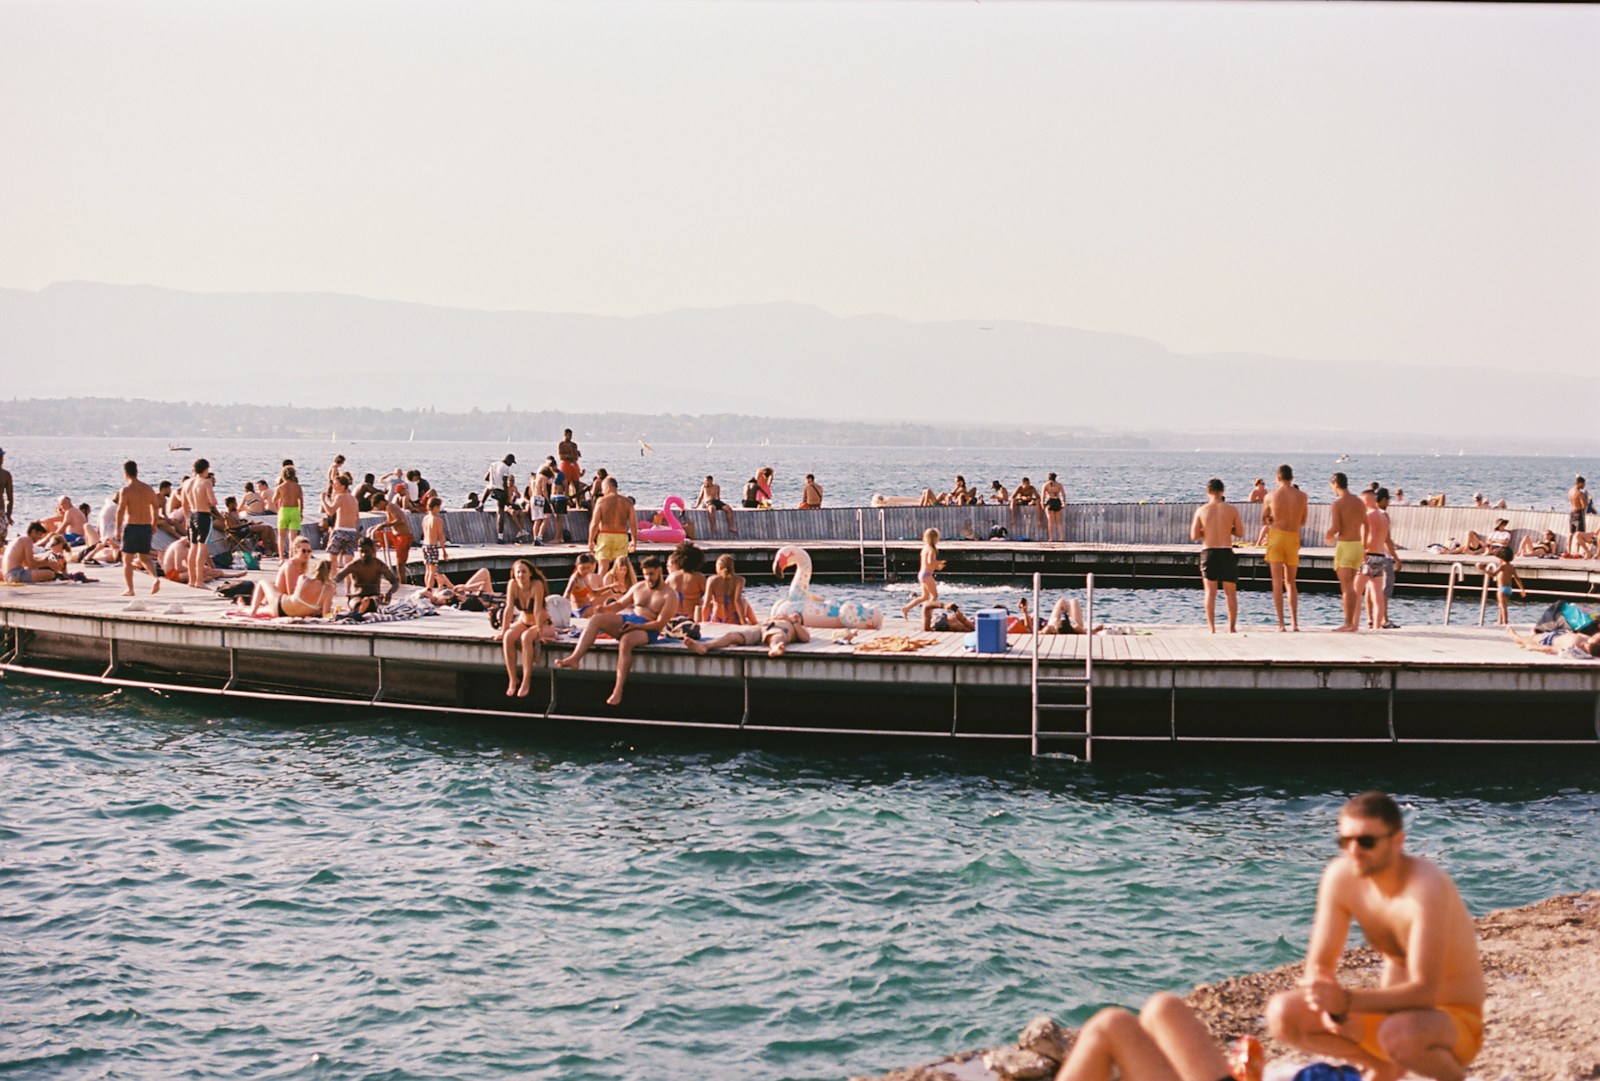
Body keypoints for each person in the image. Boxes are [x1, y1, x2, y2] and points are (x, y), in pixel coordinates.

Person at [1266, 791, 1485, 1081]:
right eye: (1345, 841)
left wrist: (1345, 1001)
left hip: (1453, 1023)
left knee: (1398, 1034)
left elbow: (1425, 992)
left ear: (1397, 842)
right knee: (1283, 1013)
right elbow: (1319, 964)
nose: (1354, 851)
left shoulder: (1426, 888)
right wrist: (1328, 1007)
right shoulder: (1341, 878)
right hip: (1388, 1016)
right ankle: (1383, 1068)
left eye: (1366, 841)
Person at [555, 554, 678, 705]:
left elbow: (659, 625)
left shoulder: (670, 595)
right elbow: (619, 605)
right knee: (596, 619)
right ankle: (574, 658)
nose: (649, 578)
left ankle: (618, 690)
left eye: (652, 574)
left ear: (659, 571)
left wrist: (636, 626)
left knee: (626, 641)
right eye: (645, 574)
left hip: (647, 629)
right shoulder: (639, 587)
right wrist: (604, 609)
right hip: (631, 620)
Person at [1190, 478, 1244, 634]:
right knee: (1231, 593)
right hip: (1226, 551)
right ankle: (1232, 628)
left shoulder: (1201, 510)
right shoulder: (1231, 509)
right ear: (1223, 491)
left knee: (1210, 593)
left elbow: (1194, 535)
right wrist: (1228, 529)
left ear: (1208, 492)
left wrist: (1206, 531)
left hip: (1209, 551)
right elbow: (1240, 533)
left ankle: (1212, 628)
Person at [1262, 464, 1308, 632]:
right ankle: (1294, 623)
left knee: (1276, 581)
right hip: (1292, 537)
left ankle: (1281, 624)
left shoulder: (1271, 496)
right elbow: (1303, 520)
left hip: (1276, 536)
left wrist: (1271, 519)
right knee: (1291, 581)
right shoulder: (1302, 496)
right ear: (1292, 478)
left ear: (1278, 478)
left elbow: (1264, 518)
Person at [498, 559, 553, 697]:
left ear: (530, 574)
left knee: (526, 637)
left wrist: (540, 632)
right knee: (508, 637)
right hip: (523, 621)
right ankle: (512, 679)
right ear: (514, 574)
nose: (521, 575)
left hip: (542, 623)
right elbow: (509, 608)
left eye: (524, 572)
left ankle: (526, 680)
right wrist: (503, 630)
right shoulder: (512, 585)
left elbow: (538, 610)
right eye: (518, 572)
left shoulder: (537, 585)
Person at [1353, 487, 1402, 631]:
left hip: (1368, 556)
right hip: (1380, 557)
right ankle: (1376, 626)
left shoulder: (1367, 516)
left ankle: (1354, 624)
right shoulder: (1384, 517)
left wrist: (1360, 554)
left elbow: (1364, 538)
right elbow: (1387, 540)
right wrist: (1396, 558)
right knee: (1377, 596)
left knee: (1356, 593)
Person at [114, 461, 165, 596]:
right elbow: (155, 506)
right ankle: (155, 578)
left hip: (132, 527)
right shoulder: (148, 489)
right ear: (137, 471)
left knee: (127, 560)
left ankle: (130, 589)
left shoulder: (126, 490)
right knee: (145, 557)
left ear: (125, 473)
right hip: (146, 527)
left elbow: (120, 510)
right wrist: (154, 523)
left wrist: (117, 529)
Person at [1327, 472, 1367, 633]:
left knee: (1346, 587)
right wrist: (1365, 546)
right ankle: (1352, 623)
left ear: (1336, 484)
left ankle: (1348, 623)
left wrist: (1328, 534)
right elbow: (1367, 525)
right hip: (1358, 545)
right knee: (1352, 586)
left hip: (1345, 545)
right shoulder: (1359, 502)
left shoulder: (1338, 504)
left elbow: (1337, 527)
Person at [687, 611, 810, 658]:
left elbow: (805, 638)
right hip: (761, 628)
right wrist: (773, 617)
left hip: (778, 630)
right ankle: (704, 646)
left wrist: (793, 621)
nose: (794, 615)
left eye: (798, 616)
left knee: (776, 637)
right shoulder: (777, 617)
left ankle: (775, 648)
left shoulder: (796, 626)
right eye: (794, 614)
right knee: (732, 635)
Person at [179, 458, 218, 595]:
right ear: (205, 469)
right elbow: (213, 501)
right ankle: (199, 581)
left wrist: (186, 517)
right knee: (202, 547)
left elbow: (184, 502)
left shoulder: (187, 483)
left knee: (193, 547)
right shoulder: (206, 482)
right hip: (203, 515)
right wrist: (210, 502)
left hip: (192, 515)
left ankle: (191, 579)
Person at [248, 558, 335, 619]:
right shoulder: (329, 590)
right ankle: (246, 608)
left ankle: (252, 611)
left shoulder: (303, 579)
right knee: (263, 610)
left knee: (263, 582)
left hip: (281, 607)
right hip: (289, 614)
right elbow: (326, 615)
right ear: (329, 572)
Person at [335, 537, 398, 614]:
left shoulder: (379, 565)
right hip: (356, 596)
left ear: (372, 550)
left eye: (367, 551)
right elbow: (338, 577)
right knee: (356, 605)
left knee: (372, 603)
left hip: (374, 596)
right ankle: (360, 609)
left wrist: (389, 593)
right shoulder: (354, 565)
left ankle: (363, 608)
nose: (364, 554)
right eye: (361, 552)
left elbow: (395, 582)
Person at [588, 476, 637, 573]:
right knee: (620, 569)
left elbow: (594, 523)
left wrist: (591, 540)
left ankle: (601, 587)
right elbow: (633, 524)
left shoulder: (601, 501)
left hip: (605, 536)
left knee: (602, 568)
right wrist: (634, 541)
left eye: (603, 489)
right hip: (621, 536)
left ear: (608, 487)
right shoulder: (627, 502)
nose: (602, 492)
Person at [369, 492, 414, 584]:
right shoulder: (388, 508)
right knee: (373, 534)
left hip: (403, 537)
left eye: (378, 505)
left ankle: (403, 585)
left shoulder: (390, 506)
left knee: (400, 565)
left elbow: (399, 520)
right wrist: (380, 525)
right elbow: (391, 520)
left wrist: (384, 524)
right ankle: (372, 561)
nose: (378, 508)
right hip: (395, 536)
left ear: (382, 501)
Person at [900, 528, 945, 619]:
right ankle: (928, 616)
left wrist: (936, 566)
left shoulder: (925, 548)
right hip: (927, 575)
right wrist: (939, 563)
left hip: (922, 574)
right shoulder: (932, 549)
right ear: (935, 538)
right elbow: (930, 561)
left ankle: (906, 608)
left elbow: (927, 563)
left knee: (924, 596)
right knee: (934, 596)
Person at [325, 473, 361, 573]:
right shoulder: (354, 499)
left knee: (332, 560)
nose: (334, 486)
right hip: (352, 532)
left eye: (336, 484)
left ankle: (333, 583)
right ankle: (349, 588)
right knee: (348, 564)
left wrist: (323, 500)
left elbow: (330, 511)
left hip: (340, 530)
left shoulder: (340, 497)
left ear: (343, 486)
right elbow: (356, 517)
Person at [701, 553, 752, 624]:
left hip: (717, 618)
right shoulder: (739, 580)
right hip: (733, 618)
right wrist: (743, 621)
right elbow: (737, 601)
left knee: (708, 604)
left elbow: (706, 604)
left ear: (718, 567)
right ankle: (754, 622)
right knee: (743, 601)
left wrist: (704, 622)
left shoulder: (712, 580)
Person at [1482, 547, 1524, 625]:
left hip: (1501, 589)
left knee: (1502, 606)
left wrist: (1483, 569)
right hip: (1509, 589)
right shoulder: (1511, 567)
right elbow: (1517, 579)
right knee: (1501, 605)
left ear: (1500, 557)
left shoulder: (1502, 566)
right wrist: (1522, 589)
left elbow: (1493, 574)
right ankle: (1500, 621)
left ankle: (1505, 622)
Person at [666, 542, 707, 621]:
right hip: (692, 616)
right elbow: (711, 597)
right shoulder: (699, 578)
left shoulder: (671, 577)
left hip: (675, 616)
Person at [274, 465, 304, 565]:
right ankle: (291, 557)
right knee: (293, 537)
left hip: (284, 510)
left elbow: (274, 500)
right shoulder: (298, 487)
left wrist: (280, 499)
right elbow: (301, 501)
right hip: (295, 510)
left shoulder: (280, 487)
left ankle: (281, 558)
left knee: (281, 536)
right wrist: (301, 512)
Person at [1508, 625, 1600, 658]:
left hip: (1549, 639)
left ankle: (1516, 637)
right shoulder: (1587, 640)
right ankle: (1533, 635)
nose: (1594, 635)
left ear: (1588, 645)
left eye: (1594, 636)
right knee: (1535, 636)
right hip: (1561, 633)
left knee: (1528, 640)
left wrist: (1533, 647)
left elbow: (1551, 649)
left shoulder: (1572, 646)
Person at [563, 552, 607, 617]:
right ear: (577, 566)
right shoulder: (575, 579)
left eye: (588, 568)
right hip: (580, 610)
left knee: (609, 595)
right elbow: (566, 596)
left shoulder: (585, 576)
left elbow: (593, 594)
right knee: (600, 612)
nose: (586, 571)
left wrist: (611, 586)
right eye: (583, 568)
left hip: (588, 606)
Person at [485, 453, 518, 539]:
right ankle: (500, 537)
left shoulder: (493, 464)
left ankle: (481, 504)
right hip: (501, 492)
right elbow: (504, 483)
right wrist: (507, 495)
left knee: (488, 486)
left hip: (492, 490)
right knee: (501, 512)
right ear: (508, 461)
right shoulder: (505, 467)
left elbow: (486, 478)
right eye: (511, 463)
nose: (511, 465)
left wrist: (494, 482)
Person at [420, 496, 449, 589]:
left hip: (425, 545)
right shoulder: (437, 520)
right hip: (432, 546)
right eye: (439, 507)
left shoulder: (425, 518)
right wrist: (444, 551)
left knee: (427, 570)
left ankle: (427, 588)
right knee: (432, 571)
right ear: (436, 507)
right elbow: (441, 536)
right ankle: (429, 590)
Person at [1041, 472, 1067, 542]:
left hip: (1050, 501)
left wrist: (1042, 504)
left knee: (1050, 521)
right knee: (1059, 522)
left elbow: (1043, 495)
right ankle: (1061, 537)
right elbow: (1063, 494)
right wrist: (1064, 503)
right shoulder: (1059, 485)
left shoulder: (1046, 485)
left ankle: (1051, 538)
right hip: (1057, 501)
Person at [1568, 475, 1591, 551]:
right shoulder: (1580, 493)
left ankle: (1569, 550)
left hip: (1572, 512)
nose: (1584, 485)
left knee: (1571, 533)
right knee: (1580, 534)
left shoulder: (1570, 491)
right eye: (1583, 484)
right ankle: (1577, 551)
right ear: (1579, 483)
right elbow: (1584, 506)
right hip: (1579, 512)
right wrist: (1586, 498)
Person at [0, 447, 12, 546]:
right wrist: (8, 515)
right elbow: (10, 498)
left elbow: (10, 498)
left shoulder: (6, 475)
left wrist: (8, 515)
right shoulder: (5, 474)